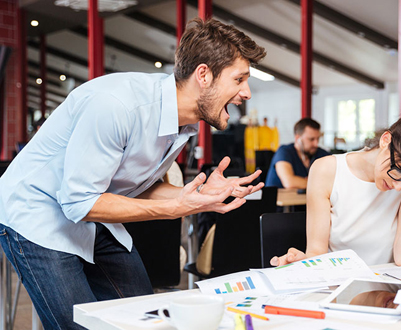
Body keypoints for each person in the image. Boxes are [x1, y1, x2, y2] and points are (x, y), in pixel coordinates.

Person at [0, 18, 266, 329]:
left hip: (92, 213)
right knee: (79, 325)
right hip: (38, 213)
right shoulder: (118, 106)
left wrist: (193, 195)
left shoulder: (182, 123)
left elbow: (141, 187)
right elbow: (78, 202)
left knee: (144, 319)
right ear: (203, 75)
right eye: (239, 80)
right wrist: (175, 208)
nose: (246, 93)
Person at [271, 97, 401, 267]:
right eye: (399, 172)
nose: (399, 187)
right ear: (385, 140)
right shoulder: (326, 170)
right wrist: (302, 262)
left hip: (387, 295)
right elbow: (316, 252)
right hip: (340, 289)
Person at [265, 118, 330, 189]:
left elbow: (335, 181)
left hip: (305, 199)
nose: (316, 144)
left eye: (318, 139)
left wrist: (304, 182)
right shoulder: (284, 152)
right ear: (297, 138)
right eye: (311, 139)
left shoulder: (321, 154)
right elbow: (289, 182)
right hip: (280, 199)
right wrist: (320, 182)